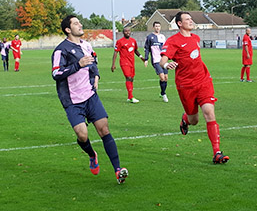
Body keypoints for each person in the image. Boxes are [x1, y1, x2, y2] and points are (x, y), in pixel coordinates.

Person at [52, 15, 128, 184]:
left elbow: (93, 62)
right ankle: (92, 155)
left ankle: (118, 170)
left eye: (80, 22)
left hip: (90, 96)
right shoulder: (61, 50)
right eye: (76, 23)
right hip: (72, 100)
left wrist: (96, 76)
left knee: (104, 130)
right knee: (83, 135)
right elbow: (56, 73)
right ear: (67, 29)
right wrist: (77, 65)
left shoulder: (86, 45)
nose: (80, 25)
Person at [159, 11, 230, 164]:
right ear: (179, 23)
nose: (191, 21)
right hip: (185, 86)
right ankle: (186, 118)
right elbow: (162, 60)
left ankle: (217, 152)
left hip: (203, 81)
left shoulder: (196, 38)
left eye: (191, 19)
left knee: (209, 112)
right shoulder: (173, 41)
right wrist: (166, 64)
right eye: (187, 19)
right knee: (194, 120)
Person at [112, 26, 144, 103]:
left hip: (132, 62)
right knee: (128, 77)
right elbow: (116, 52)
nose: (127, 32)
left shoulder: (133, 41)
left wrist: (141, 57)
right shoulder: (120, 41)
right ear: (123, 32)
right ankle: (131, 97)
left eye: (129, 31)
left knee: (131, 79)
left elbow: (135, 50)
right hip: (124, 62)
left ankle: (129, 97)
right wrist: (113, 64)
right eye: (126, 31)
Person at [143, 21, 169, 102]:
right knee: (162, 77)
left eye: (159, 26)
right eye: (156, 26)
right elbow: (147, 48)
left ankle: (162, 93)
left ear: (160, 27)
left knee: (166, 78)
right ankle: (164, 94)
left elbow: (166, 48)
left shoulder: (162, 37)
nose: (157, 27)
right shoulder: (150, 37)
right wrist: (146, 59)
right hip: (156, 60)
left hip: (163, 59)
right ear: (153, 27)